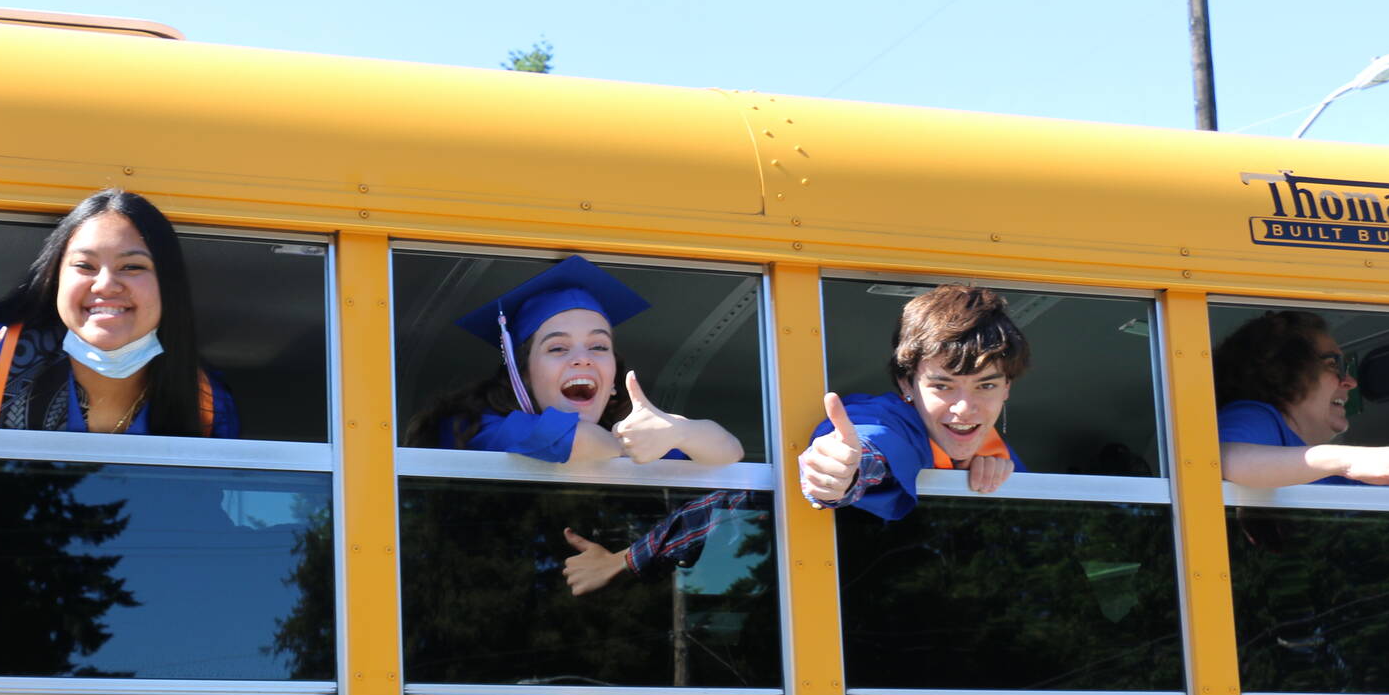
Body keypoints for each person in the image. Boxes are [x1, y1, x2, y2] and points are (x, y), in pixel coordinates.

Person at [0, 188, 238, 437]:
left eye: (132, 266)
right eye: (85, 266)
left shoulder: (205, 401)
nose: (106, 285)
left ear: (168, 284)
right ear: (55, 280)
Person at [405, 255, 743, 465]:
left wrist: (679, 431)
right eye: (557, 348)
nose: (582, 359)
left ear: (612, 376)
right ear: (522, 374)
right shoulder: (475, 428)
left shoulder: (628, 436)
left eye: (598, 347)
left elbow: (729, 451)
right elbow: (579, 442)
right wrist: (645, 442)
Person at [798, 283, 1030, 521]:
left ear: (1006, 388)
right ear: (906, 383)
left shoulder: (995, 449)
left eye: (986, 386)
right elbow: (870, 443)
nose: (964, 408)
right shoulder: (888, 421)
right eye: (943, 386)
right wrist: (843, 471)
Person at [1214, 309, 1389, 511]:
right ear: (1281, 370)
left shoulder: (1331, 472)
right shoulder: (1255, 414)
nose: (1351, 382)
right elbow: (1222, 458)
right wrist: (1348, 460)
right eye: (1334, 365)